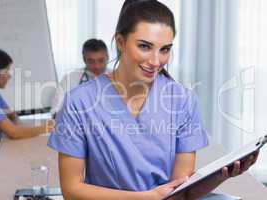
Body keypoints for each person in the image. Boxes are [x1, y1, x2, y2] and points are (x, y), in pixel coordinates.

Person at [47, 0, 258, 199]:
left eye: (165, 49)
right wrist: (143, 198)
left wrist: (222, 174)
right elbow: (71, 191)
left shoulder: (182, 100)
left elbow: (180, 192)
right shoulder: (79, 101)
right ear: (120, 42)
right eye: (145, 46)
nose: (156, 61)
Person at [0, 47, 53, 197]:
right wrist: (46, 127)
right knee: (23, 179)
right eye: (6, 71)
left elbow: (12, 116)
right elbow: (13, 132)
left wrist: (17, 122)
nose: (9, 76)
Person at [51, 38, 109, 114]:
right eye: (91, 61)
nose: (97, 66)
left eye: (101, 60)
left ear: (107, 58)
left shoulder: (118, 77)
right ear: (84, 59)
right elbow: (56, 110)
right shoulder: (69, 79)